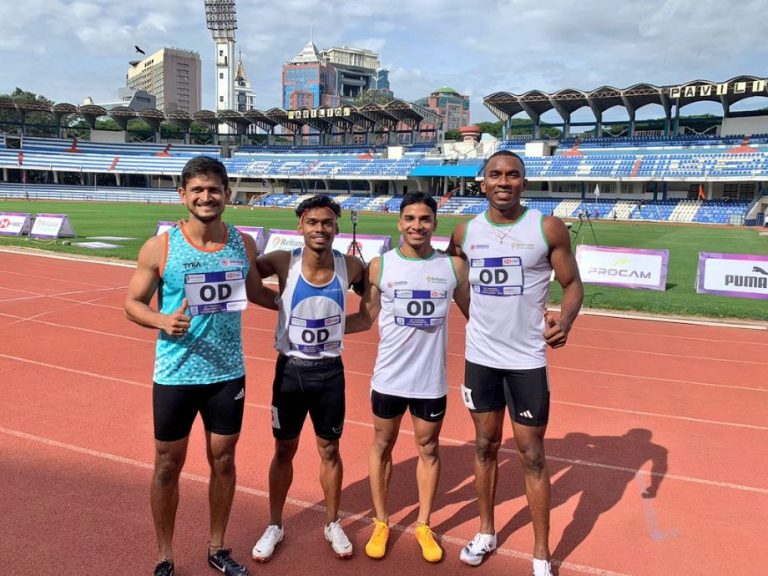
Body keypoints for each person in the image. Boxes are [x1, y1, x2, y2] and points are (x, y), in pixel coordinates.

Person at [125, 156, 263, 576]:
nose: (207, 197)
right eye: (198, 190)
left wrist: (300, 312)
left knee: (224, 460)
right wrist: (162, 320)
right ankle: (165, 555)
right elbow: (132, 304)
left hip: (227, 374)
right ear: (183, 195)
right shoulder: (161, 246)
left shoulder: (244, 244)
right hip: (176, 374)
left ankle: (217, 548)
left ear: (228, 194)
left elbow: (258, 292)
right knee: (168, 463)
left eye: (214, 189)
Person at [447, 150, 583, 575]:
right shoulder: (465, 230)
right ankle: (487, 531)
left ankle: (541, 554)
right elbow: (457, 278)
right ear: (482, 182)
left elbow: (573, 283)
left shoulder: (546, 228)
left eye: (512, 175)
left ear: (524, 182)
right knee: (485, 446)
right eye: (495, 175)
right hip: (480, 359)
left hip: (526, 360)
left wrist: (567, 318)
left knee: (532, 455)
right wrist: (476, 318)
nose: (503, 181)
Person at [346, 192, 470, 563]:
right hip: (388, 377)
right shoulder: (379, 267)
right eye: (410, 219)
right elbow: (365, 318)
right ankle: (381, 521)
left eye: (425, 219)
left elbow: (478, 316)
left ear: (435, 223)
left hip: (430, 381)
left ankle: (423, 523)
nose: (417, 226)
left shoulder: (453, 268)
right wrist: (322, 328)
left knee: (428, 449)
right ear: (399, 223)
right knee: (382, 446)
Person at [250, 195, 366, 562]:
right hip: (290, 372)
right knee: (283, 449)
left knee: (330, 450)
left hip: (330, 373)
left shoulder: (351, 266)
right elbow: (250, 281)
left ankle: (332, 522)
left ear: (335, 227)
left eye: (327, 223)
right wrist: (278, 303)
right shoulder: (284, 261)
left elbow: (370, 306)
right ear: (300, 226)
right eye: (313, 222)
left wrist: (346, 324)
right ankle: (275, 524)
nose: (320, 229)